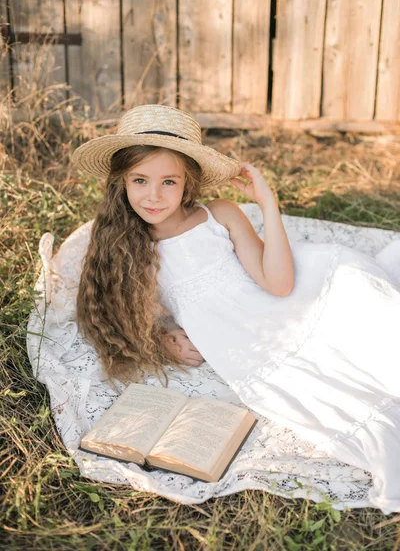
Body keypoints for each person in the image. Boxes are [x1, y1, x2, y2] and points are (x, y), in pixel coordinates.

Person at [72, 104, 400, 514]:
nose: (153, 195)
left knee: (380, 332)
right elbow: (115, 314)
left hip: (310, 293)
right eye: (140, 180)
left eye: (168, 181)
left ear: (188, 182)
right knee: (340, 397)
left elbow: (278, 284)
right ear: (121, 182)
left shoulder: (219, 214)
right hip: (254, 347)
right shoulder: (126, 250)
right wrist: (164, 339)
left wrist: (266, 203)